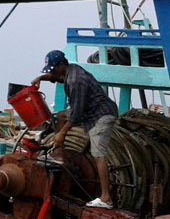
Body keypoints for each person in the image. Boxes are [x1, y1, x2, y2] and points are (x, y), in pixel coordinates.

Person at [32, 50, 118, 209]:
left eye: (52, 69)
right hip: (91, 112)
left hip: (101, 115)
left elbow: (77, 113)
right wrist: (40, 78)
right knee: (62, 115)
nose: (51, 72)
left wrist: (62, 133)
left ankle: (106, 198)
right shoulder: (70, 70)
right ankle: (58, 154)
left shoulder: (76, 81)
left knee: (98, 155)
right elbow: (56, 77)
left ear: (61, 65)